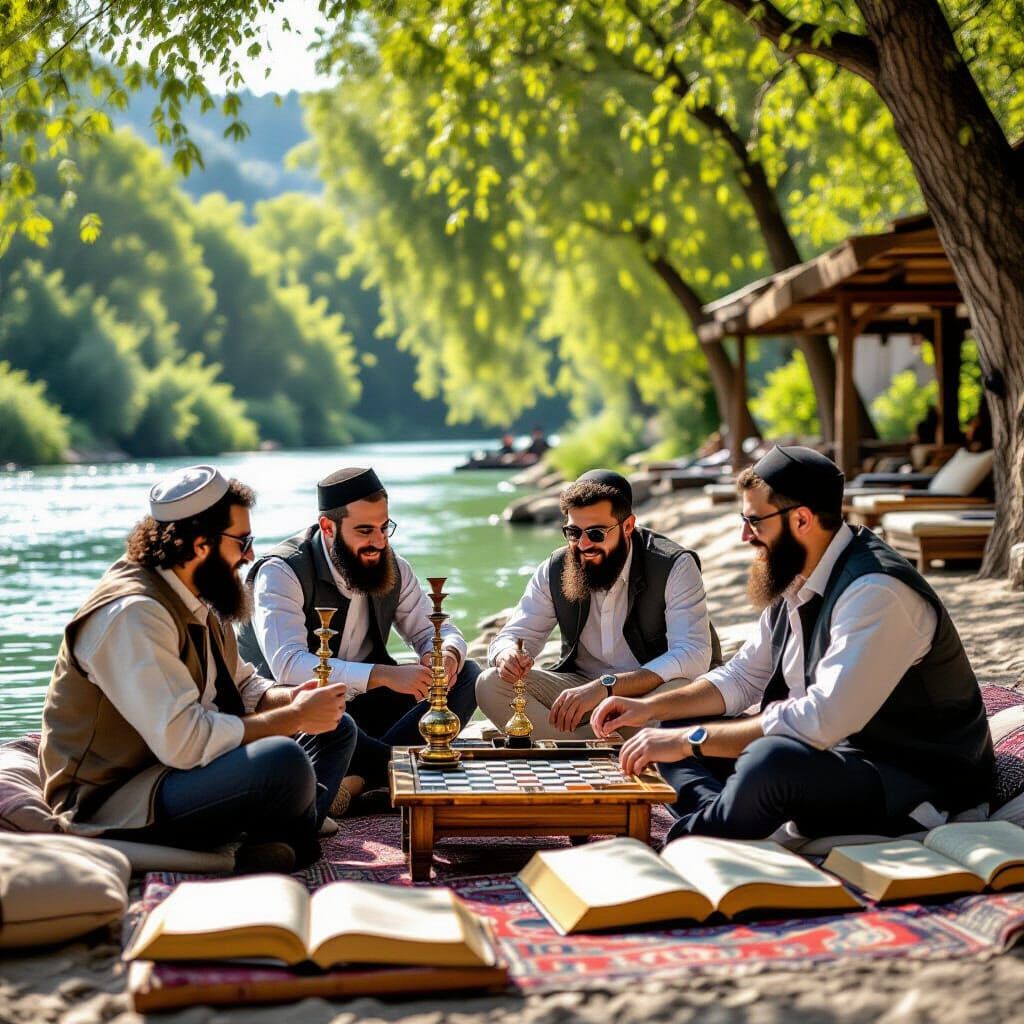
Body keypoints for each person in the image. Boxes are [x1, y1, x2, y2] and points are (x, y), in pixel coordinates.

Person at [592, 445, 994, 843]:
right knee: (676, 725)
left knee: (765, 762)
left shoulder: (876, 591)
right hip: (830, 760)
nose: (745, 535)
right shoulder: (798, 575)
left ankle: (690, 838)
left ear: (801, 519)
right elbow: (742, 678)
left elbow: (821, 720)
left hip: (912, 783)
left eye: (754, 521)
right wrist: (649, 709)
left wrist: (687, 743)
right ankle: (723, 818)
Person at [39, 466, 355, 873]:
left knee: (338, 728)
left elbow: (243, 686)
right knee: (283, 760)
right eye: (242, 541)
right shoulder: (134, 614)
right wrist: (291, 719)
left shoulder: (200, 590)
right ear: (201, 543)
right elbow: (185, 742)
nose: (250, 555)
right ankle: (286, 832)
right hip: (119, 801)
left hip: (178, 774)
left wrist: (292, 699)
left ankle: (285, 835)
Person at [238, 467, 479, 814]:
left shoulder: (391, 564)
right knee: (337, 721)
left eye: (384, 528)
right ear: (328, 528)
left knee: (468, 676)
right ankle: (398, 771)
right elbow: (289, 666)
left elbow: (434, 630)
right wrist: (383, 675)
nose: (379, 542)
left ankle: (359, 781)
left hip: (366, 711)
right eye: (364, 530)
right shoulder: (281, 571)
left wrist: (445, 656)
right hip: (299, 714)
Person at [476, 469, 719, 740]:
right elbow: (514, 635)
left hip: (648, 691)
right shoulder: (555, 568)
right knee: (491, 683)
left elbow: (693, 655)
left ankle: (566, 743)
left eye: (596, 533)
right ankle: (603, 741)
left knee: (683, 687)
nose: (582, 544)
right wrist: (507, 655)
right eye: (572, 532)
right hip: (579, 691)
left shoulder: (674, 565)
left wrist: (608, 687)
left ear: (627, 526)